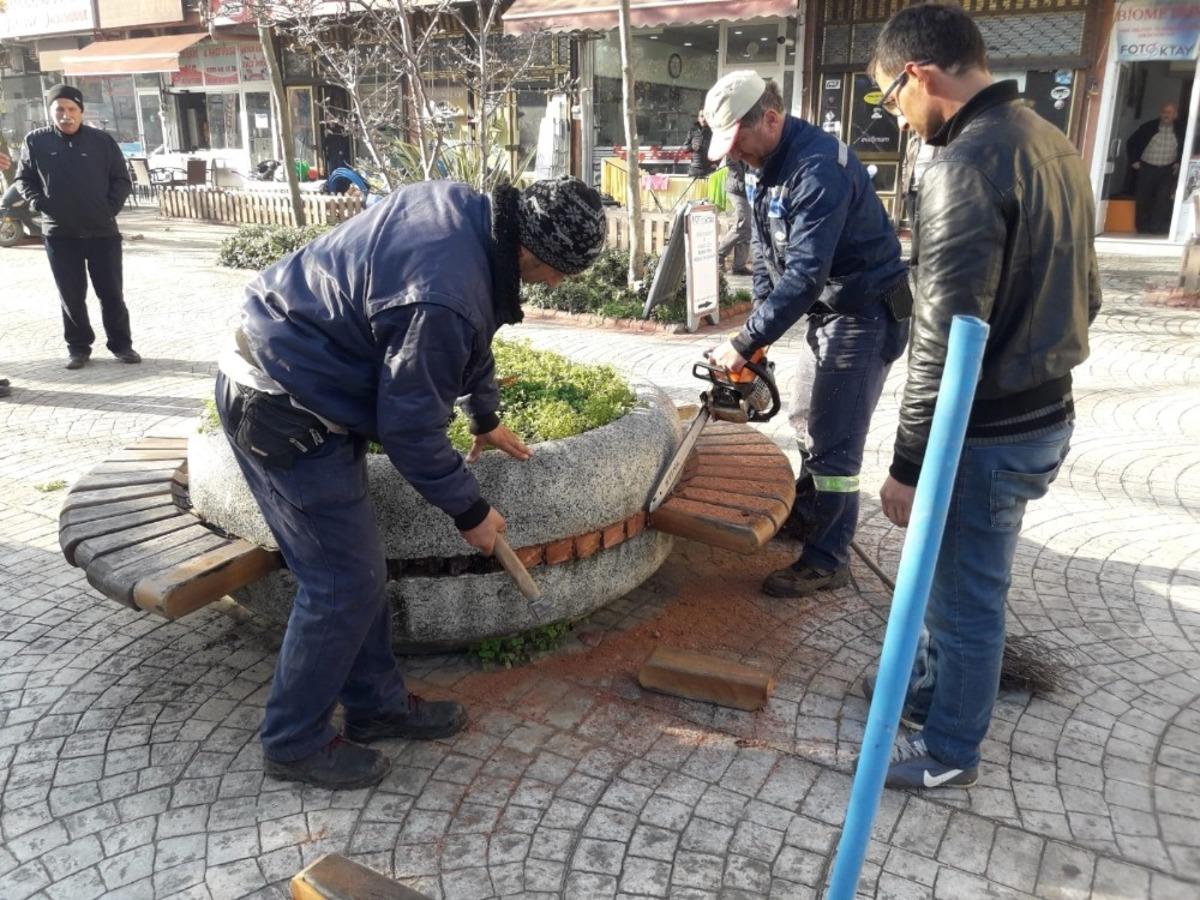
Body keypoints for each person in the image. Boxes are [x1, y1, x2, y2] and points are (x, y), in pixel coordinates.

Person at [214, 176, 606, 789]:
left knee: (357, 571)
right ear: (534, 253)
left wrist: (485, 416)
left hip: (316, 378)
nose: (558, 287)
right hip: (281, 402)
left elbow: (473, 331)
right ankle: (293, 742)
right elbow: (410, 430)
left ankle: (376, 706)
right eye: (561, 275)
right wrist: (471, 511)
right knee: (342, 580)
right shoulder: (445, 292)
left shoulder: (470, 219)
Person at [869, 3, 1100, 789]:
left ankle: (949, 753)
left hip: (987, 428)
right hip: (1044, 407)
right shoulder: (1050, 140)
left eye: (893, 100)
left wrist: (907, 462)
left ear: (919, 75)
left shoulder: (964, 164)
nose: (899, 121)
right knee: (951, 578)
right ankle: (929, 694)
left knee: (967, 596)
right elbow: (1088, 290)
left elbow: (941, 336)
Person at [704, 71, 911, 599]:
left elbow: (805, 275)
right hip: (829, 309)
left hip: (864, 312)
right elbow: (771, 263)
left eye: (739, 142)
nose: (736, 156)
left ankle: (828, 557)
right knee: (804, 417)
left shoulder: (818, 171)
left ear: (770, 119)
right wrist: (760, 335)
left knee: (835, 441)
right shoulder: (762, 164)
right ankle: (810, 510)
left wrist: (742, 340)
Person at [16, 83, 140, 370]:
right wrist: (40, 204)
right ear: (50, 112)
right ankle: (78, 347)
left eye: (72, 109)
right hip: (60, 234)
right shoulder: (35, 141)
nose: (66, 115)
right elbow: (24, 180)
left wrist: (109, 209)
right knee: (71, 295)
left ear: (81, 112)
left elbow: (121, 179)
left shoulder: (102, 141)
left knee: (111, 293)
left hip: (103, 233)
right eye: (59, 109)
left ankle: (122, 345)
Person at [1128, 102, 1185, 234]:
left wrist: (1178, 162)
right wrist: (1134, 160)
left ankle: (1155, 227)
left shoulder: (1182, 130)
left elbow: (1185, 148)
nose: (1166, 115)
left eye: (1169, 112)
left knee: (1162, 199)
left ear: (1175, 115)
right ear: (1160, 113)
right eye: (1164, 111)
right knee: (1143, 197)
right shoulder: (1149, 127)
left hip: (1167, 169)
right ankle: (1142, 227)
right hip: (1147, 167)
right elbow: (1131, 142)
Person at [717, 158, 752, 275]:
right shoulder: (735, 141)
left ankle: (739, 266)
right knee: (743, 222)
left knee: (746, 228)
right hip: (737, 188)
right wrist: (742, 177)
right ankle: (719, 255)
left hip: (747, 187)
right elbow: (731, 160)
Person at [686, 110, 716, 179]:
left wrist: (717, 163)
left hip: (709, 170)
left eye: (706, 116)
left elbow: (720, 149)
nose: (704, 119)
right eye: (702, 116)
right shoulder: (692, 131)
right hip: (694, 169)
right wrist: (692, 147)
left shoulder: (713, 131)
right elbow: (685, 148)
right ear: (698, 118)